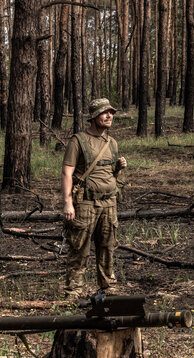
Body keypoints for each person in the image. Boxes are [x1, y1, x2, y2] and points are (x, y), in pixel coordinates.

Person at [60, 98, 127, 300]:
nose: (109, 116)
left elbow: (109, 174)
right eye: (104, 113)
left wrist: (119, 167)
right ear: (94, 117)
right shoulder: (78, 141)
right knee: (79, 247)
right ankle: (73, 291)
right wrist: (68, 203)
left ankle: (108, 288)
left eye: (111, 113)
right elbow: (67, 173)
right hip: (85, 203)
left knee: (107, 247)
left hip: (109, 203)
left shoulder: (112, 143)